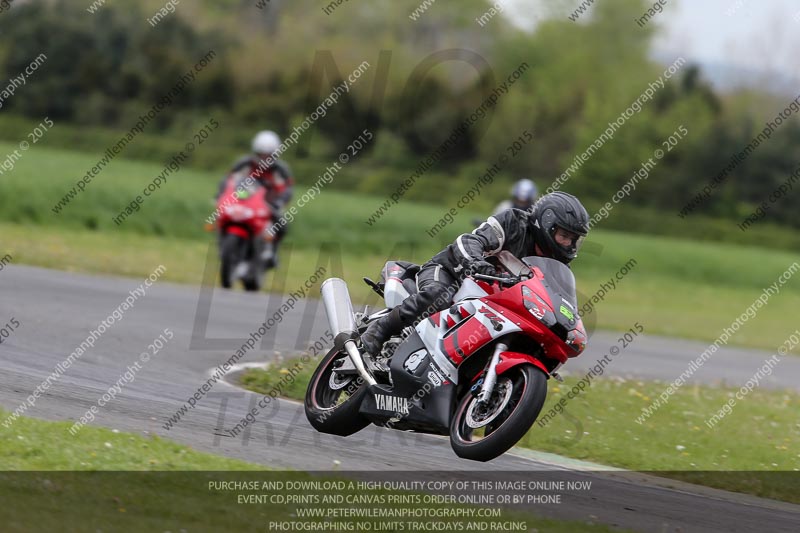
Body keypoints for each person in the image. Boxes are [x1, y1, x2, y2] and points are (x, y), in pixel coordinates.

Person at [360, 191, 589, 358]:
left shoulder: (556, 266)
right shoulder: (513, 224)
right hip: (452, 273)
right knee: (438, 295)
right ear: (547, 224)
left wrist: (570, 324)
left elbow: (555, 300)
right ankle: (380, 330)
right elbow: (469, 242)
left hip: (490, 302)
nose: (569, 244)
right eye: (564, 236)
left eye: (574, 239)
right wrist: (477, 263)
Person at [217, 130, 294, 265]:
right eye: (261, 154)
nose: (264, 158)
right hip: (245, 201)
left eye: (268, 155)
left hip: (269, 204)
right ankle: (222, 245)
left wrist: (279, 201)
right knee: (222, 216)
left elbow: (287, 189)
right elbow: (229, 180)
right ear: (255, 151)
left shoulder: (280, 169)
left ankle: (272, 252)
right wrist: (222, 194)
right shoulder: (244, 164)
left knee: (281, 224)